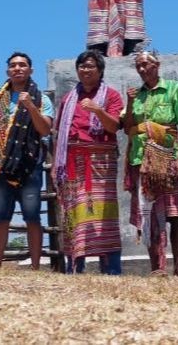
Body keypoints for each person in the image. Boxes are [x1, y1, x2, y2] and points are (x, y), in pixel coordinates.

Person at [53, 50, 123, 275]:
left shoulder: (111, 96)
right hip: (72, 160)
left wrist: (97, 110)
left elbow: (113, 127)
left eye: (90, 66)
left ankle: (111, 269)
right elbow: (59, 134)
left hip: (101, 162)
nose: (85, 70)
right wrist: (57, 165)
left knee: (104, 214)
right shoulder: (68, 99)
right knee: (73, 213)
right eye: (82, 66)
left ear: (100, 70)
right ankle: (75, 268)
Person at [0, 52, 53, 269]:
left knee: (32, 217)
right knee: (0, 219)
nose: (17, 68)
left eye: (22, 65)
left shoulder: (42, 99)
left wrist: (31, 106)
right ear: (7, 71)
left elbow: (45, 129)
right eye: (13, 65)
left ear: (31, 70)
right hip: (0, 167)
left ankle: (35, 267)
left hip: (28, 166)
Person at [123, 51, 178, 276]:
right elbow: (127, 127)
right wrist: (130, 102)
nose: (142, 69)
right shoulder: (136, 94)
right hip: (141, 159)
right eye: (138, 66)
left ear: (156, 65)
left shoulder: (173, 88)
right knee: (148, 214)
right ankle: (157, 268)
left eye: (145, 65)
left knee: (174, 214)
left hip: (166, 156)